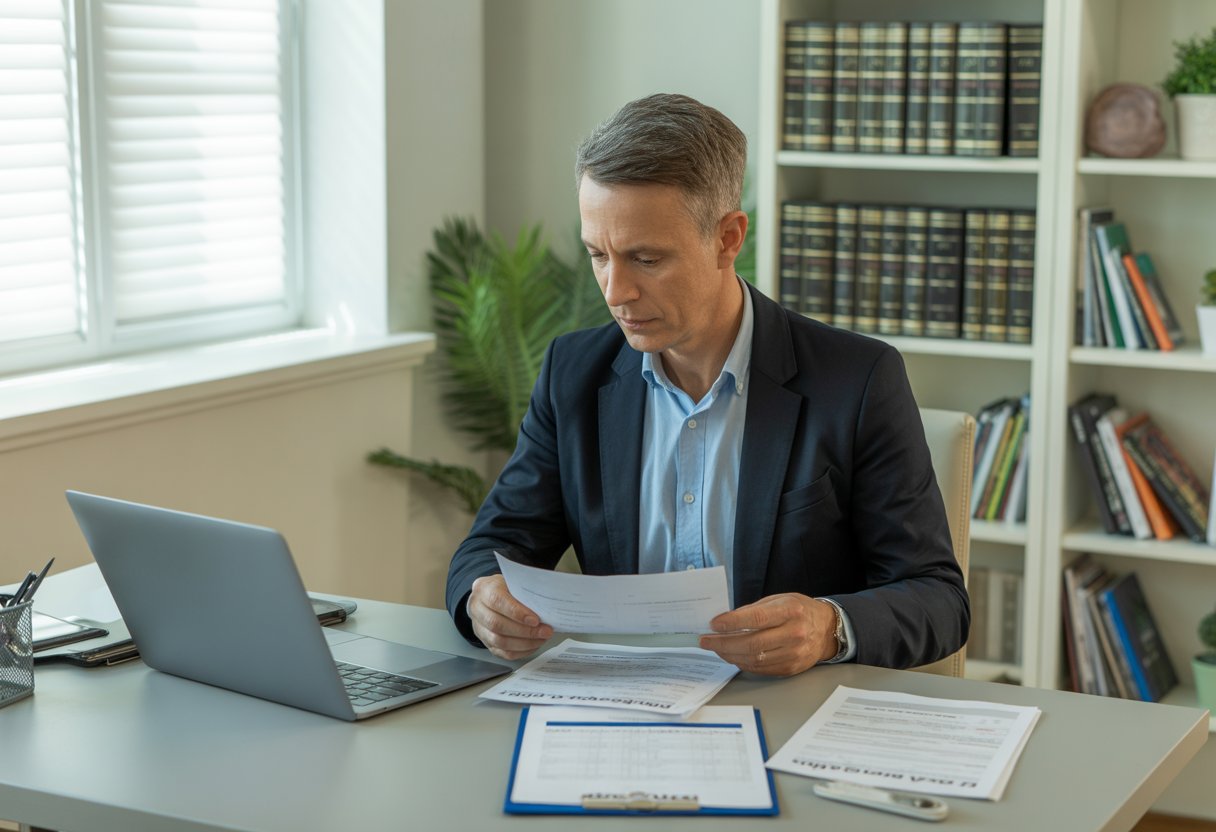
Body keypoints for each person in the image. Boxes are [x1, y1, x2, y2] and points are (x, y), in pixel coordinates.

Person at [445, 93, 968, 676]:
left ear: (727, 238)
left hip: (788, 715)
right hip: (618, 710)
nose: (616, 291)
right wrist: (482, 599)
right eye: (598, 254)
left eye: (645, 259)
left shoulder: (857, 380)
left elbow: (939, 599)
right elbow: (488, 550)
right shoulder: (573, 373)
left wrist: (827, 626)